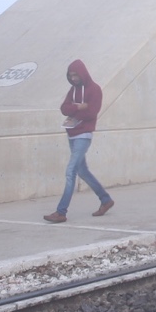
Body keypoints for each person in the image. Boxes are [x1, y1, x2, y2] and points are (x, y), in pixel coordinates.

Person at [44, 59, 114, 223]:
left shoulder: (94, 90)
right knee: (82, 171)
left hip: (84, 135)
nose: (74, 78)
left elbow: (92, 113)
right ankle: (105, 200)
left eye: (76, 75)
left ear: (82, 73)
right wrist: (79, 107)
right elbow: (64, 109)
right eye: (71, 75)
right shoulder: (73, 90)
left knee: (71, 172)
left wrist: (76, 110)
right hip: (72, 134)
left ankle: (61, 212)